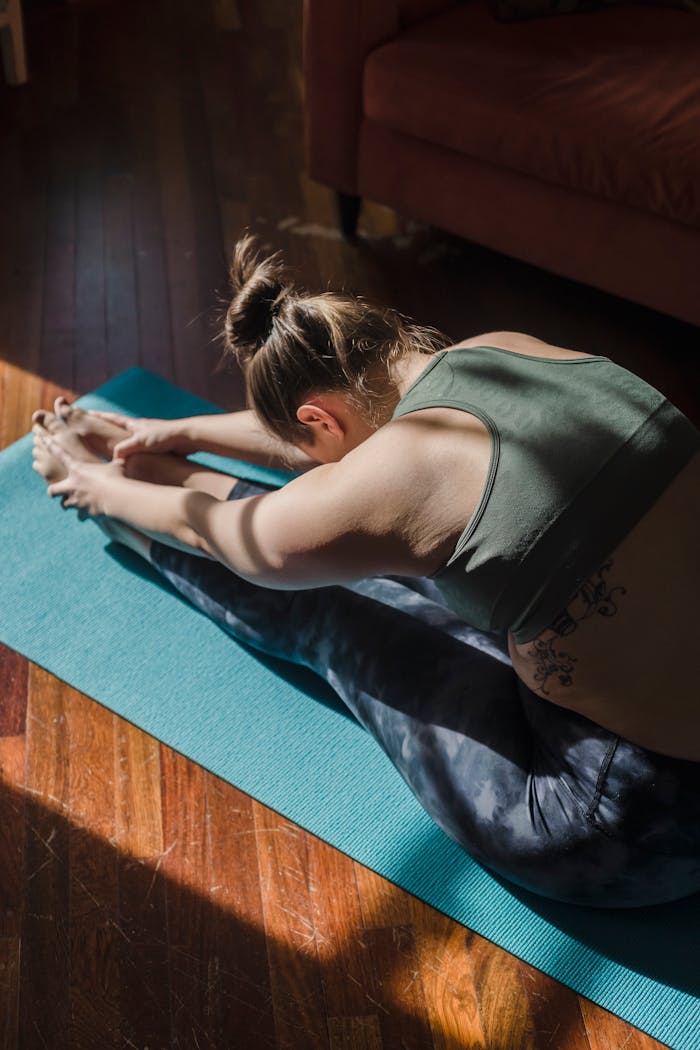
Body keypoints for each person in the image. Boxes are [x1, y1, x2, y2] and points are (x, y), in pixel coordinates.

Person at [31, 233, 700, 907]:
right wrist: (183, 432)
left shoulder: (405, 473)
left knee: (329, 606)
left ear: (318, 418)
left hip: (639, 815)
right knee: (374, 543)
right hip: (658, 705)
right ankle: (162, 476)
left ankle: (131, 520)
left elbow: (238, 539)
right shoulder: (497, 353)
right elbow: (347, 439)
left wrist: (92, 487)